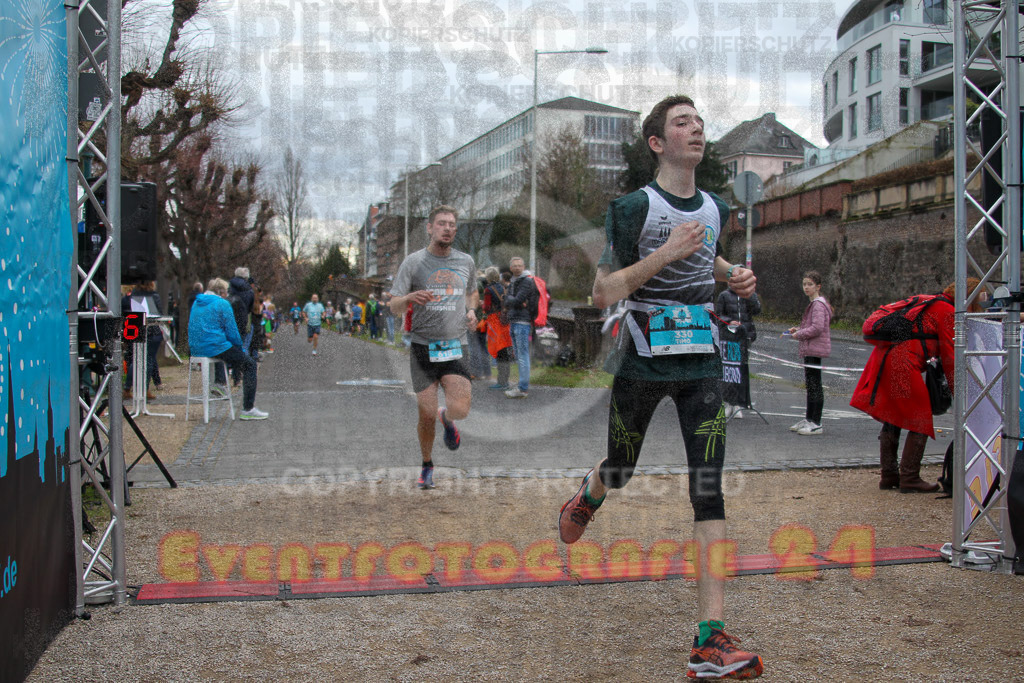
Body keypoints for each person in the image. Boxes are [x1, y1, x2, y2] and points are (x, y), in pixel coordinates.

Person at [556, 95, 763, 680]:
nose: (696, 128)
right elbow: (603, 292)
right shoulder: (631, 209)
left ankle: (709, 640)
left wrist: (733, 275)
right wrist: (666, 252)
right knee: (621, 468)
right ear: (657, 143)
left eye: (699, 121)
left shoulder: (718, 206)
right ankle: (590, 494)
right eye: (682, 122)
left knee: (708, 487)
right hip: (641, 361)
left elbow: (710, 258)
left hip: (700, 359)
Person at [851, 278, 983, 492]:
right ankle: (910, 478)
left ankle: (889, 475)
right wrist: (960, 390)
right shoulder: (947, 311)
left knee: (894, 416)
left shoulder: (932, 301)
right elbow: (951, 355)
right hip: (903, 363)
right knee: (919, 417)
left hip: (885, 359)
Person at [389, 205, 477, 491]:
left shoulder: (466, 261)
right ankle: (427, 464)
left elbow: (472, 291)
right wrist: (410, 297)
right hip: (423, 347)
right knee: (425, 414)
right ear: (430, 228)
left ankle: (448, 418)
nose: (447, 228)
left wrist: (473, 310)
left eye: (452, 224)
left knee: (461, 409)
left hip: (455, 345)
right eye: (441, 223)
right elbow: (392, 306)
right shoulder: (413, 263)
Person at [188, 277, 268, 420]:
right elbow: (232, 332)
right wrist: (240, 348)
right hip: (214, 346)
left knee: (228, 354)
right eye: (226, 292)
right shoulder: (221, 304)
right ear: (221, 292)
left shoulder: (197, 302)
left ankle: (219, 384)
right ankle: (248, 409)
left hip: (196, 347)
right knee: (249, 365)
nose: (227, 295)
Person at [786, 271, 832, 436]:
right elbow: (812, 326)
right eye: (804, 284)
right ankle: (809, 419)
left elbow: (817, 328)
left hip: (815, 348)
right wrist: (798, 329)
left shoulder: (818, 305)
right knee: (811, 385)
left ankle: (816, 422)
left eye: (810, 284)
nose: (806, 287)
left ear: (818, 287)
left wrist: (799, 334)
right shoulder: (815, 304)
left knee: (815, 385)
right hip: (811, 348)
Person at [715, 288, 760, 419]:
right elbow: (718, 314)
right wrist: (729, 321)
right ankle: (728, 402)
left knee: (741, 369)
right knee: (730, 370)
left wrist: (751, 295)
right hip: (729, 337)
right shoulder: (724, 295)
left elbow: (757, 310)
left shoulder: (749, 295)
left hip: (745, 336)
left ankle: (739, 403)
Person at [503, 256, 539, 399]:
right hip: (515, 320)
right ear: (511, 268)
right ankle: (520, 386)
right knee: (519, 355)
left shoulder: (526, 281)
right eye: (515, 265)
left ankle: (523, 389)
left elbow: (516, 299)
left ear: (523, 267)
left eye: (520, 265)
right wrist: (512, 300)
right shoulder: (514, 281)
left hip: (522, 322)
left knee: (523, 356)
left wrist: (511, 299)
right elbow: (509, 300)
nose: (517, 267)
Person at [482, 267, 513, 389]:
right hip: (505, 320)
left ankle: (502, 382)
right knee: (504, 351)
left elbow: (487, 307)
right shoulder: (503, 287)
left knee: (499, 351)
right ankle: (505, 381)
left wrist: (482, 304)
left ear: (488, 277)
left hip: (495, 321)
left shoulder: (488, 290)